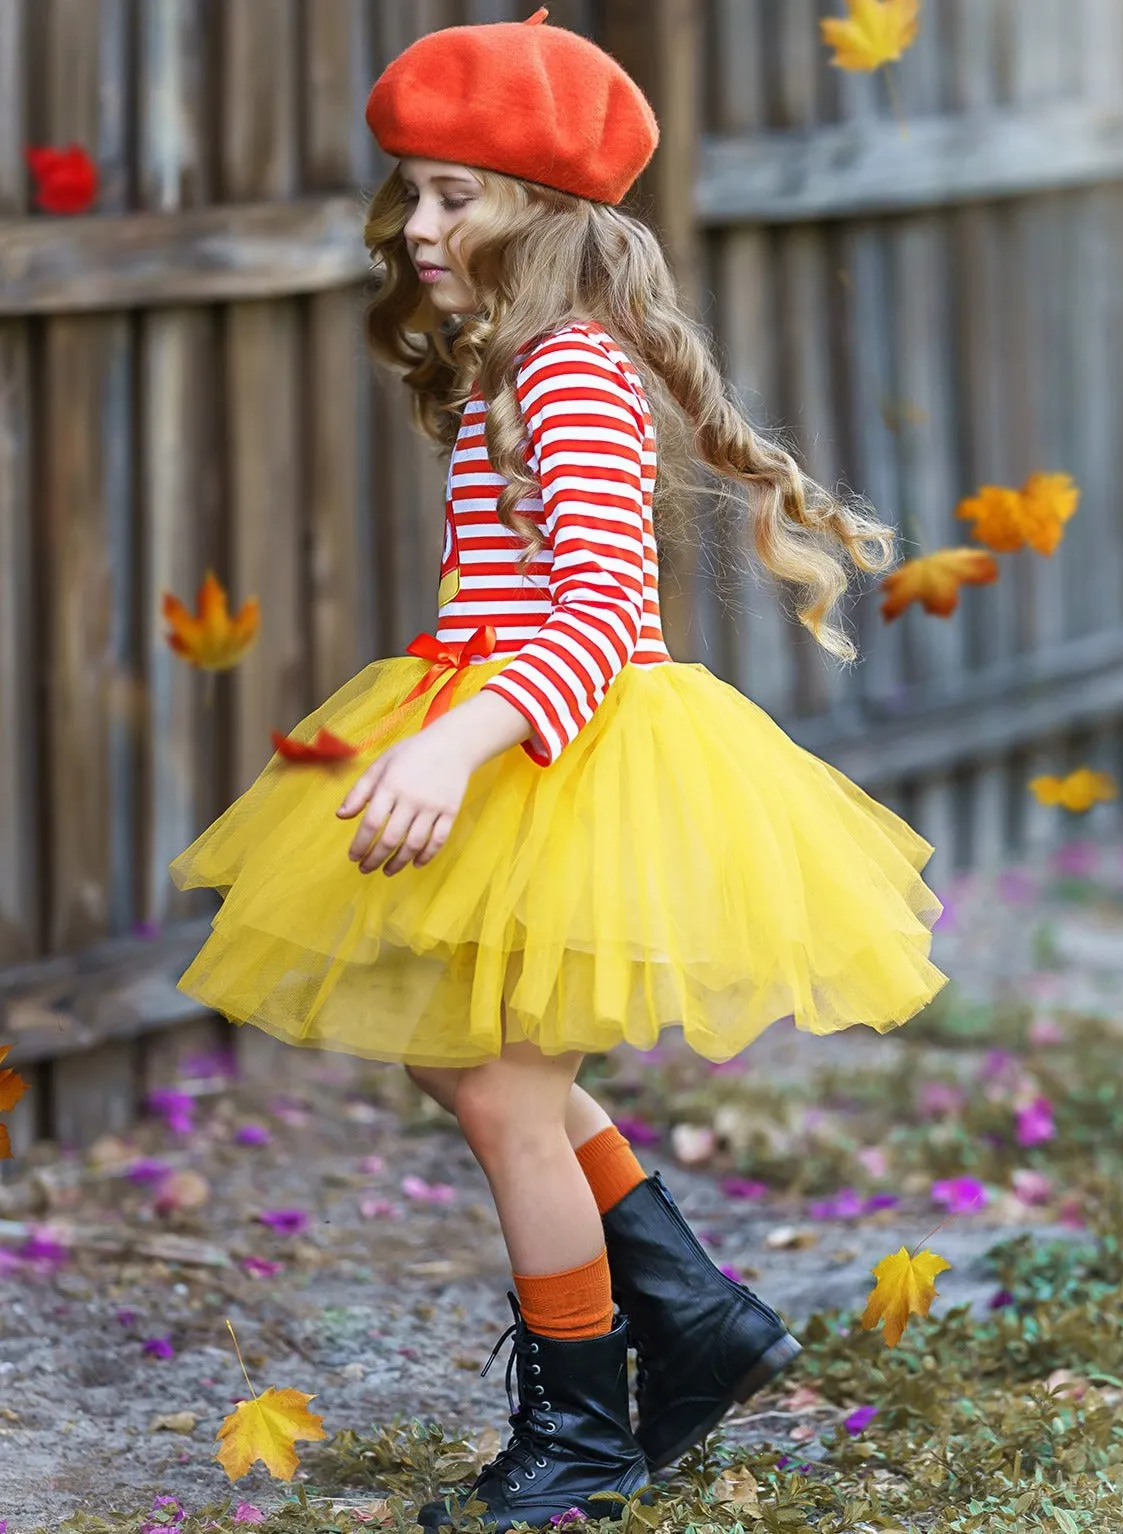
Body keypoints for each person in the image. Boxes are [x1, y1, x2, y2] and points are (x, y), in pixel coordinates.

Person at [169, 9, 946, 1530]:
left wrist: (458, 740)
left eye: (456, 194)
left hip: (556, 743)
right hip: (504, 729)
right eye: (412, 190)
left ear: (546, 211)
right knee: (467, 1058)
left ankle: (583, 1430)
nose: (418, 224)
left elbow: (603, 613)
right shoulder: (504, 367)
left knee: (509, 1092)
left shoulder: (570, 374)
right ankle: (700, 1317)